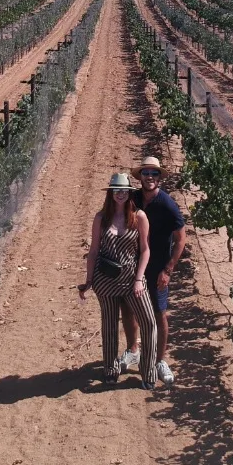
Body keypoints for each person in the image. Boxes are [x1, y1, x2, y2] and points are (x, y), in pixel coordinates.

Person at [79, 172, 159, 388]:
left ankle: (149, 371)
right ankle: (110, 370)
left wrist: (139, 279)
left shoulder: (139, 216)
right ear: (111, 193)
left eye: (124, 190)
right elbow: (94, 251)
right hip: (105, 281)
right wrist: (88, 280)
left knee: (149, 323)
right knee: (109, 326)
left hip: (132, 280)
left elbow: (145, 250)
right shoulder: (100, 218)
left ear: (129, 193)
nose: (120, 194)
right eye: (116, 191)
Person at [120, 156, 186, 388]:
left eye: (154, 173)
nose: (150, 177)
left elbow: (181, 239)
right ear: (140, 177)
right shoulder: (133, 198)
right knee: (128, 308)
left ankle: (159, 361)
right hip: (132, 264)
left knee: (159, 313)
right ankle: (133, 350)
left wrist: (168, 269)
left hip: (157, 267)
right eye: (146, 173)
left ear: (159, 178)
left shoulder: (167, 204)